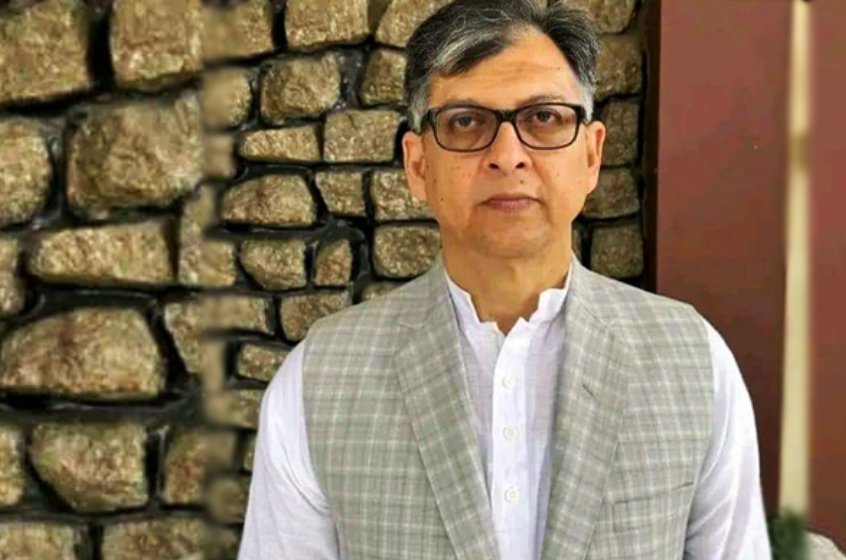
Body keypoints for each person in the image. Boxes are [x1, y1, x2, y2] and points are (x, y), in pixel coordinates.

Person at [238, 1, 771, 558]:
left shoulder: (693, 362)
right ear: (418, 165)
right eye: (466, 122)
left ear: (591, 155)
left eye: (544, 118)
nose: (508, 155)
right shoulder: (320, 379)